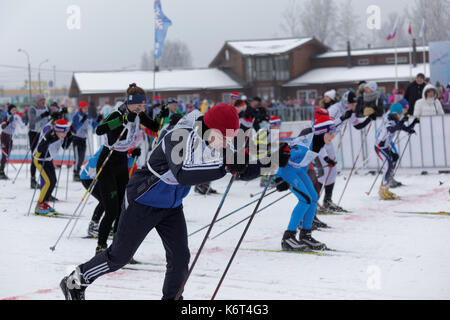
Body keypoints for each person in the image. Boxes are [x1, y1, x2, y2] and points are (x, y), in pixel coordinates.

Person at [60, 103, 284, 300]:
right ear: (210, 128)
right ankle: (74, 281)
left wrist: (274, 162)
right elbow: (183, 174)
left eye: (229, 139)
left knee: (180, 257)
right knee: (120, 256)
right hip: (143, 200)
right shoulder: (179, 136)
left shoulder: (219, 139)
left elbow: (241, 169)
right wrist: (224, 167)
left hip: (171, 206)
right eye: (223, 138)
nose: (225, 144)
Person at [92, 83, 161, 255]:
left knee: (123, 208)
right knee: (111, 209)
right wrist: (121, 121)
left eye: (144, 106)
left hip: (122, 161)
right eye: (139, 105)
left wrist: (163, 116)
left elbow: (155, 127)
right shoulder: (117, 113)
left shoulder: (138, 115)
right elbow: (99, 130)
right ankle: (101, 246)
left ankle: (117, 247)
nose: (141, 108)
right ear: (130, 103)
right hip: (107, 161)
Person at [276, 115, 336, 251]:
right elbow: (282, 157)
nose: (332, 136)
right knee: (305, 200)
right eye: (330, 133)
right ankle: (288, 238)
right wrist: (279, 178)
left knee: (313, 197)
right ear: (322, 132)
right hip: (288, 171)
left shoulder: (318, 142)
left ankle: (305, 235)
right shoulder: (304, 146)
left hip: (299, 170)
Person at [375, 103, 418, 200]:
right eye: (399, 115)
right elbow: (392, 129)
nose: (400, 116)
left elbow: (406, 128)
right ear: (395, 114)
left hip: (385, 147)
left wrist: (414, 123)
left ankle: (385, 188)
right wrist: (402, 121)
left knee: (393, 160)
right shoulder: (389, 120)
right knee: (388, 166)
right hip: (379, 147)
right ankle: (383, 190)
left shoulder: (395, 120)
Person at [33, 119, 72, 215]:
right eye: (62, 132)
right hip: (40, 159)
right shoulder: (50, 134)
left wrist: (70, 138)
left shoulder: (62, 135)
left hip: (48, 159)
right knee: (48, 182)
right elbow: (40, 148)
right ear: (57, 130)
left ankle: (45, 203)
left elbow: (65, 147)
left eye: (65, 132)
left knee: (53, 181)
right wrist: (48, 139)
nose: (63, 135)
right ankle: (39, 206)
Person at [71, 101, 102, 181]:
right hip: (76, 139)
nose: (86, 110)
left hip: (83, 139)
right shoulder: (76, 116)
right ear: (81, 108)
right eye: (84, 108)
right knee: (77, 158)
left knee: (82, 158)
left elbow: (93, 125)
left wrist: (98, 120)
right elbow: (75, 128)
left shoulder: (87, 116)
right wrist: (82, 121)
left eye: (86, 108)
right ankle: (75, 173)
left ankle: (78, 172)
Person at [27, 94, 51, 189]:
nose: (43, 101)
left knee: (44, 156)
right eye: (41, 100)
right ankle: (32, 180)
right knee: (35, 156)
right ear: (37, 101)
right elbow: (32, 121)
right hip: (34, 134)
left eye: (44, 100)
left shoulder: (46, 108)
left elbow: (49, 120)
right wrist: (42, 115)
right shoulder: (32, 109)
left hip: (43, 134)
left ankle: (45, 179)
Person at [0, 105, 26, 179]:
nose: (14, 111)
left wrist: (26, 123)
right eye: (13, 110)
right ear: (9, 110)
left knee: (7, 154)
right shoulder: (6, 116)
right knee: (4, 154)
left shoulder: (16, 117)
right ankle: (1, 172)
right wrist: (8, 122)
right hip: (4, 136)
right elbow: (2, 126)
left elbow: (22, 125)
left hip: (10, 137)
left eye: (15, 110)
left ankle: (1, 169)